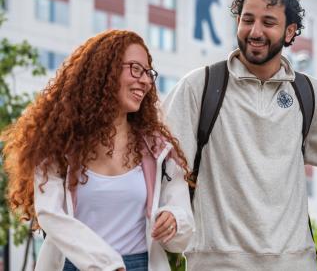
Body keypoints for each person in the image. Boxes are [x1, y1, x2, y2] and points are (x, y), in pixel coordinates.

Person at [163, 0, 317, 270]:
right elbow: (164, 168)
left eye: (268, 22)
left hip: (295, 263)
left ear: (290, 31)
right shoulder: (200, 87)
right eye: (247, 20)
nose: (255, 32)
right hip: (217, 263)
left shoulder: (309, 95)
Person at [2, 30, 195, 271]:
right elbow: (49, 213)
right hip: (74, 266)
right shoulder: (58, 144)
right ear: (105, 71)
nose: (145, 80)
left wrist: (175, 220)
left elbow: (183, 221)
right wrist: (106, 264)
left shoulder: (158, 150)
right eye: (135, 69)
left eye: (148, 73)